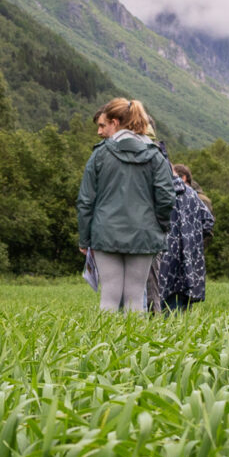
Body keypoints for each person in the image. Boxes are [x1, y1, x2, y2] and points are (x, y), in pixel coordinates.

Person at [77, 98, 176, 312]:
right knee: (135, 296)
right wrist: (160, 226)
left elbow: (85, 200)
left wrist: (85, 239)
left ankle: (103, 345)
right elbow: (167, 197)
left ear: (115, 122)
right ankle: (135, 345)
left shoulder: (100, 154)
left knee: (109, 296)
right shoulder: (155, 155)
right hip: (144, 232)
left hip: (105, 233)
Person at [157, 165, 214, 312]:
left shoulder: (156, 193)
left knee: (158, 307)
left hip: (163, 259)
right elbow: (208, 221)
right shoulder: (191, 194)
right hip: (188, 262)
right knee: (181, 310)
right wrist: (192, 243)